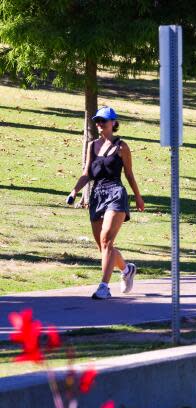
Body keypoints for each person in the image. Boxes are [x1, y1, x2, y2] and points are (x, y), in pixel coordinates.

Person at [66, 107, 144, 300]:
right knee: (103, 247)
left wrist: (138, 196)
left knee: (107, 240)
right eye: (98, 121)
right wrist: (74, 191)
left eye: (104, 121)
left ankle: (104, 287)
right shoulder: (92, 145)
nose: (100, 124)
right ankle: (127, 270)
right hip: (97, 195)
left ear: (113, 123)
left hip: (116, 194)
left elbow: (129, 174)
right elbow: (86, 174)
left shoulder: (121, 147)